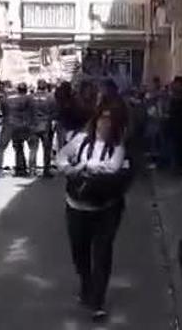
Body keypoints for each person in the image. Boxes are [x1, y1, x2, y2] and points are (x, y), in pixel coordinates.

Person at [56, 103, 131, 322]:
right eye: (103, 118)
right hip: (77, 206)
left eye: (110, 120)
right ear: (96, 120)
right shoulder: (80, 141)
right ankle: (86, 284)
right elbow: (61, 158)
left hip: (106, 208)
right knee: (79, 252)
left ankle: (98, 301)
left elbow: (114, 167)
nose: (106, 123)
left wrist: (89, 166)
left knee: (102, 253)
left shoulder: (117, 146)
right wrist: (73, 168)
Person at [0, 82, 34, 177]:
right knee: (19, 147)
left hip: (8, 124)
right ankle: (21, 169)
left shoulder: (4, 98)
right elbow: (29, 111)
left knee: (1, 148)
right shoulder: (25, 98)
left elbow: (2, 112)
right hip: (20, 124)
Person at [31, 79, 56, 178]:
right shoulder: (51, 97)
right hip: (46, 125)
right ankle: (46, 170)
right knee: (46, 149)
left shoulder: (31, 97)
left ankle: (32, 170)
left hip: (34, 124)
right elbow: (55, 111)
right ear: (46, 87)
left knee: (33, 149)